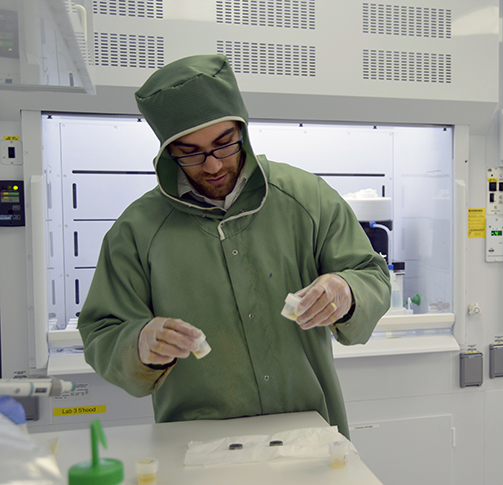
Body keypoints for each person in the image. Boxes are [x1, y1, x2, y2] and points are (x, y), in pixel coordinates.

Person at [77, 54, 391, 437]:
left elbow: (371, 275)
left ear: (243, 130)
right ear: (167, 152)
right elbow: (101, 333)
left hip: (308, 432)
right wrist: (138, 344)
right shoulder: (137, 232)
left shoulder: (307, 199)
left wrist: (348, 292)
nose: (212, 166)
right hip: (197, 444)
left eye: (224, 144)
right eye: (190, 152)